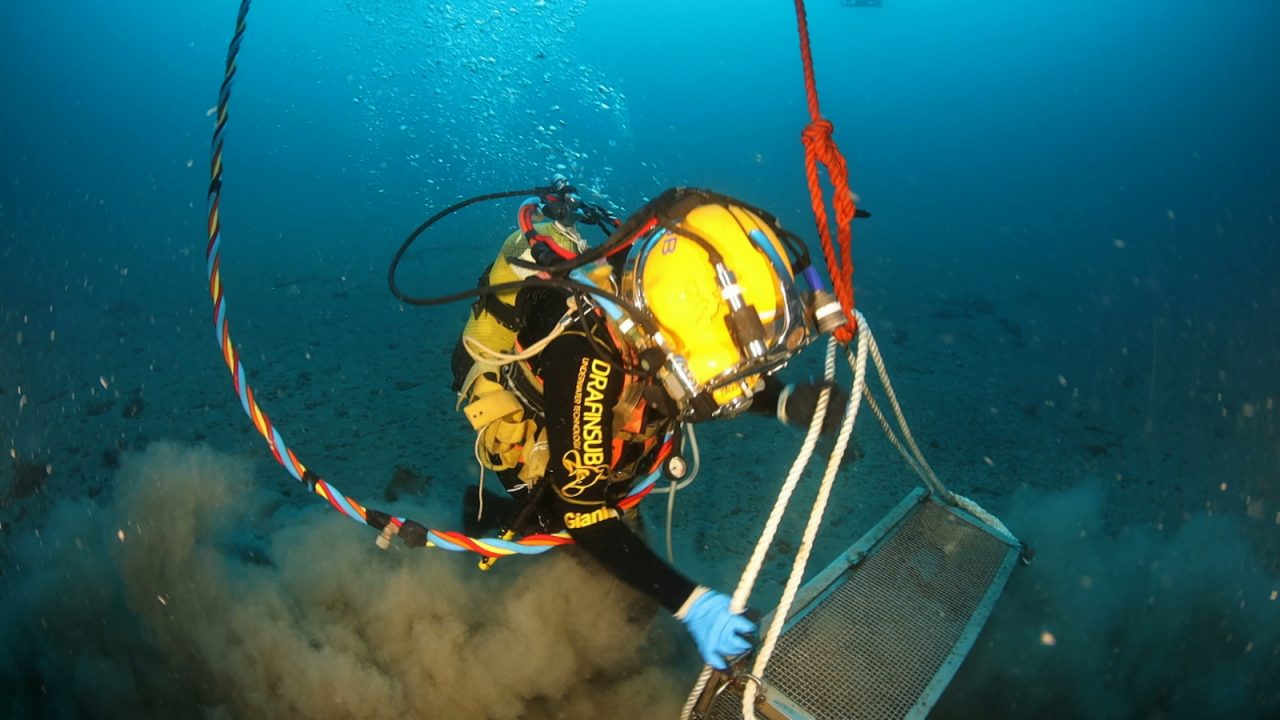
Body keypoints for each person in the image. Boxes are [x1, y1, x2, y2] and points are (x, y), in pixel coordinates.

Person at [450, 183, 843, 670]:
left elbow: (718, 377)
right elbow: (586, 514)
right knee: (562, 522)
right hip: (536, 429)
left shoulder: (665, 322)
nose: (742, 391)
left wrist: (784, 401)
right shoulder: (587, 357)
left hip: (612, 419)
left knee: (622, 525)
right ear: (664, 349)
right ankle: (488, 513)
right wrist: (689, 602)